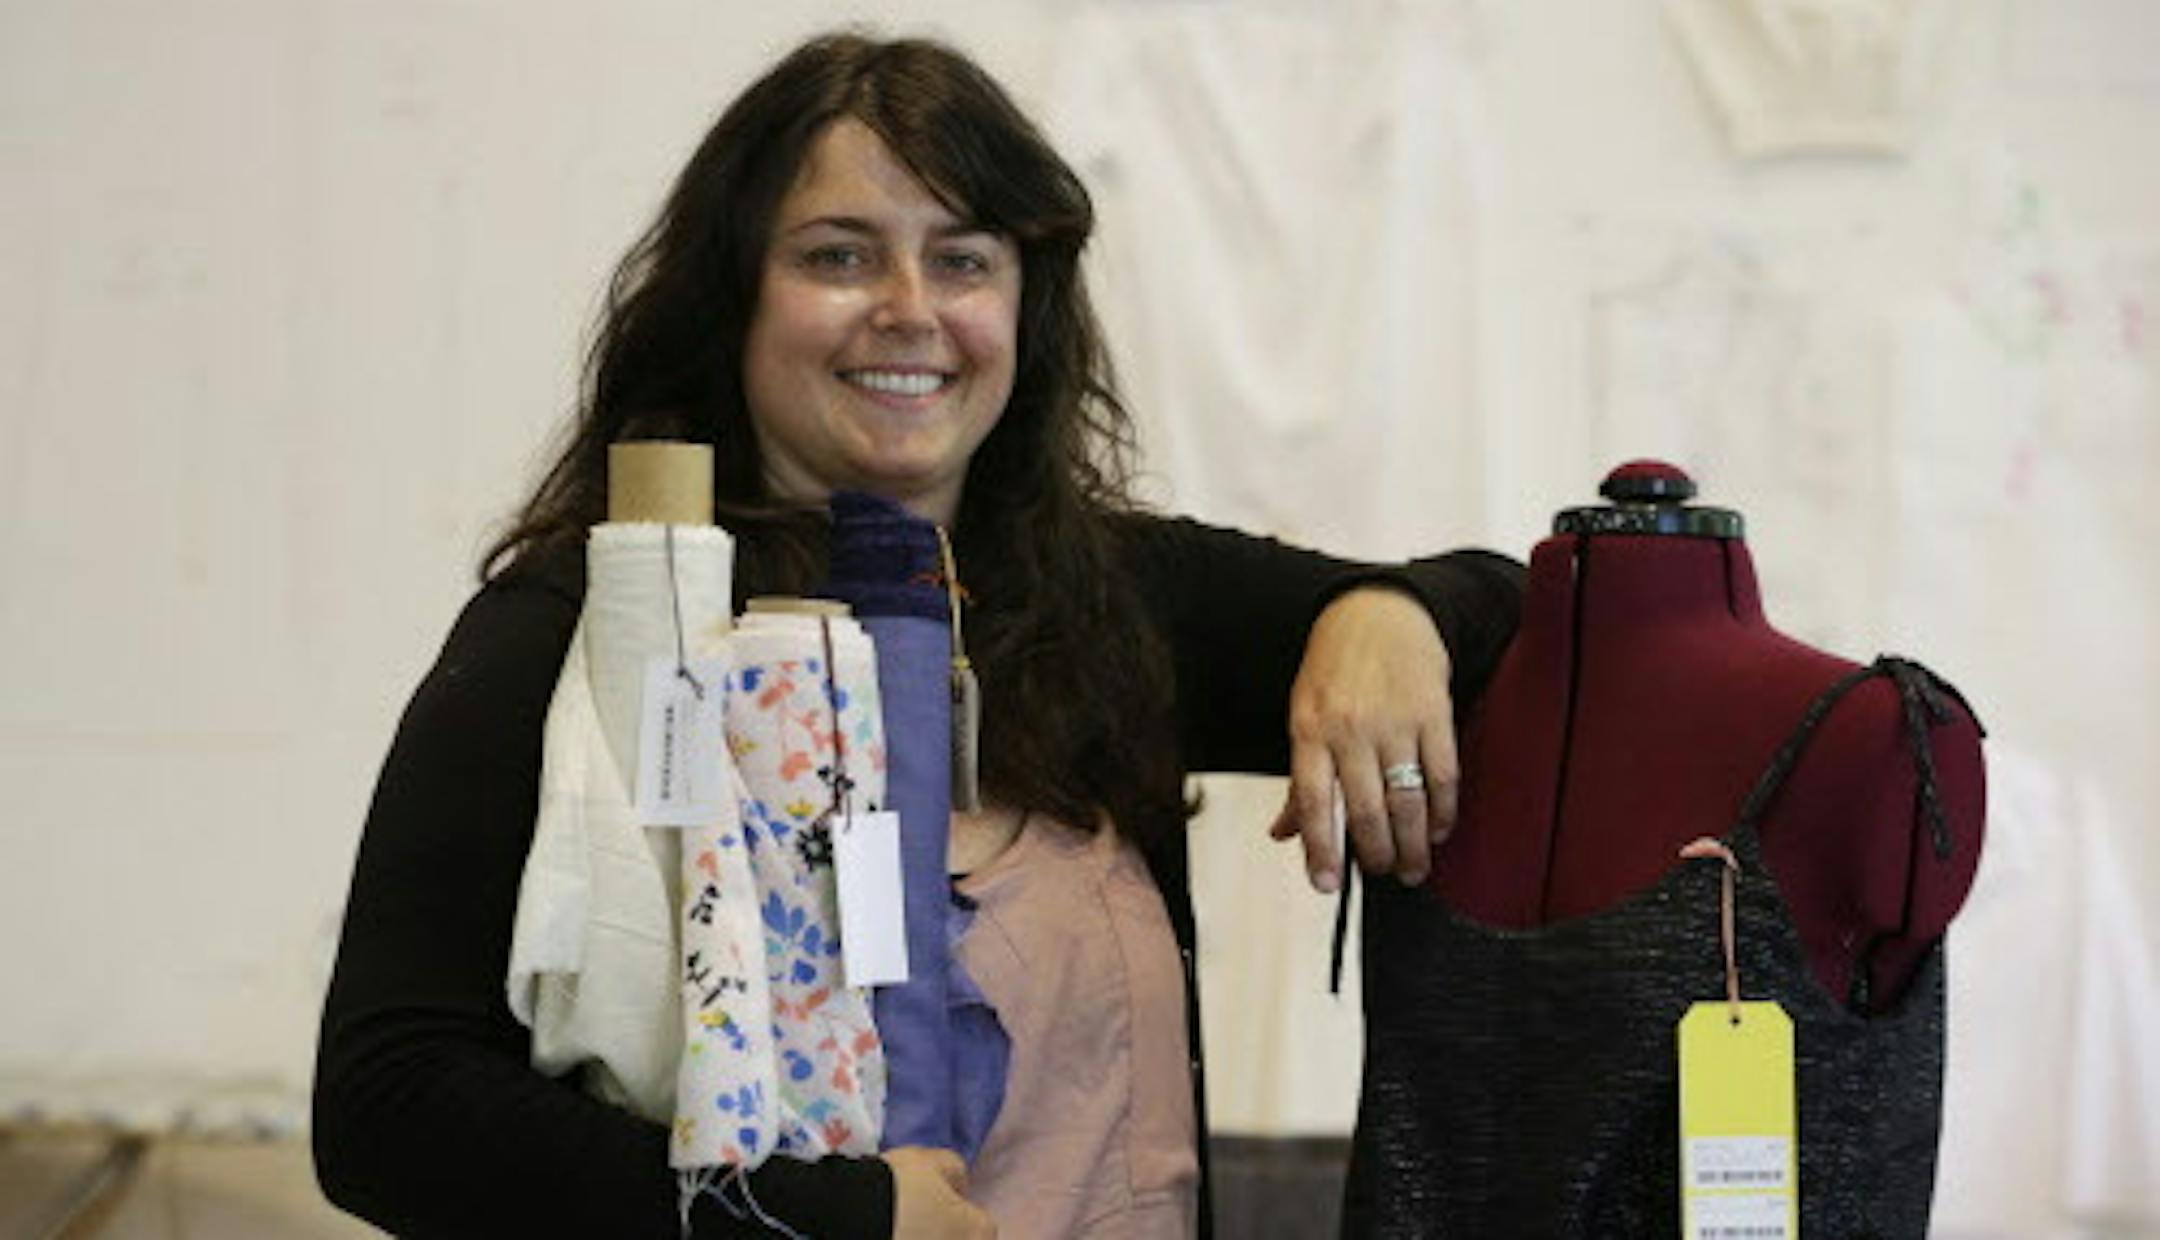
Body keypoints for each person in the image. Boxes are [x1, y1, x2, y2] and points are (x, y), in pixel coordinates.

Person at [312, 31, 1522, 1239]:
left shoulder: (1111, 601)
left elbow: (1525, 622)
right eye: (839, 256)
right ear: (732, 296)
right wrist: (821, 1220)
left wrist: (1392, 611)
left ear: (1022, 304)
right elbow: (389, 1110)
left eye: (962, 260)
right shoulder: (592, 623)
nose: (909, 310)